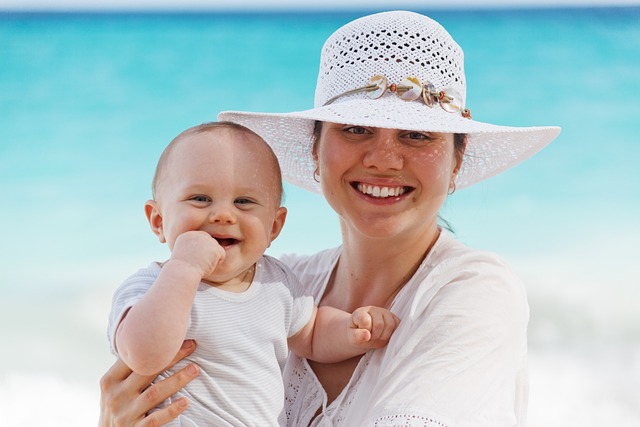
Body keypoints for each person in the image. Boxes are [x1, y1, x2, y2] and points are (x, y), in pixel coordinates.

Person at [99, 10, 561, 427]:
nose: (384, 159)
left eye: (418, 135)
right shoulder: (275, 281)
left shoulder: (473, 292)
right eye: (356, 129)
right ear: (316, 150)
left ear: (456, 163)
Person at [106, 121, 400, 426]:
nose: (223, 214)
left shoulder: (276, 283)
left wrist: (351, 330)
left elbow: (311, 333)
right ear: (157, 220)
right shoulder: (150, 288)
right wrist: (184, 268)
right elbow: (143, 355)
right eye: (200, 199)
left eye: (243, 202)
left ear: (274, 227)